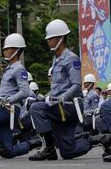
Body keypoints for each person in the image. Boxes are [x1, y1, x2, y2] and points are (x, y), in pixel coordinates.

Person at [29, 19, 111, 161]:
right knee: (68, 152)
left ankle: (49, 149)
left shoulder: (71, 59)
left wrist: (61, 98)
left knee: (36, 109)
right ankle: (102, 139)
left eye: (51, 38)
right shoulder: (56, 59)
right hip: (60, 105)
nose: (48, 41)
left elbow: (76, 85)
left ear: (61, 38)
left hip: (70, 105)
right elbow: (57, 88)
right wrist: (44, 97)